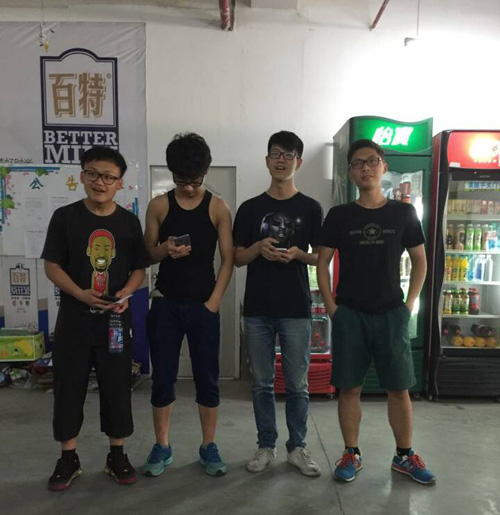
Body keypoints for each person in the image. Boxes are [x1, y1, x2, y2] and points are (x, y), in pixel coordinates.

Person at [317, 139, 435, 485]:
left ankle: (404, 455)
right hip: (350, 314)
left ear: (383, 166)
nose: (365, 168)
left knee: (399, 389)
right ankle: (350, 453)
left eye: (371, 161)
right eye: (357, 163)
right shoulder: (340, 215)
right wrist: (332, 307)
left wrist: (408, 305)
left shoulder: (403, 213)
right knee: (349, 388)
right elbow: (322, 262)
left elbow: (420, 261)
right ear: (350, 172)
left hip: (391, 313)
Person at [42, 146, 148, 491]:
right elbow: (52, 265)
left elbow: (139, 270)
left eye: (108, 176)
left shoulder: (129, 222)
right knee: (68, 388)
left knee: (117, 388)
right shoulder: (65, 218)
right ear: (82, 176)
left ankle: (116, 454)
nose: (99, 182)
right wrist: (79, 293)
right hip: (74, 321)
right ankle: (68, 457)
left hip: (114, 323)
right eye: (92, 174)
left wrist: (124, 295)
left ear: (120, 183)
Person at [142, 133, 233, 477]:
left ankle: (208, 445)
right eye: (183, 181)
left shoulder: (218, 207)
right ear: (173, 174)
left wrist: (214, 302)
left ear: (205, 172)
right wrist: (164, 250)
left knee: (207, 378)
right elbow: (146, 254)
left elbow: (228, 259)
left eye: (196, 181)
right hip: (165, 304)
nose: (190, 188)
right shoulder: (159, 206)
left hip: (203, 306)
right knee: (163, 378)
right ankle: (162, 445)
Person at [233, 130, 323, 477]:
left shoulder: (310, 208)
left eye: (288, 154)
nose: (281, 160)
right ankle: (265, 446)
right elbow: (237, 258)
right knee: (261, 383)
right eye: (275, 153)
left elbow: (322, 257)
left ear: (298, 161)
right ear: (267, 160)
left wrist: (299, 254)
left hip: (296, 307)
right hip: (257, 308)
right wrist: (259, 248)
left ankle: (297, 447)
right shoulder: (249, 208)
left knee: (298, 384)